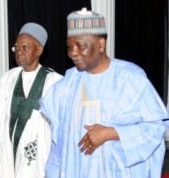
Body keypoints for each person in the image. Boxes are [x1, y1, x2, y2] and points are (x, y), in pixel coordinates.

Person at [40, 7, 168, 178]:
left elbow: (155, 128)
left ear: (101, 44)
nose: (73, 53)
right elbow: (57, 146)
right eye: (69, 46)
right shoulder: (65, 87)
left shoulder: (130, 79)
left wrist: (110, 133)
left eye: (80, 46)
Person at [0, 22, 62, 178]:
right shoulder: (7, 80)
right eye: (16, 47)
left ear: (39, 49)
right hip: (7, 155)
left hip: (37, 155)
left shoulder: (54, 83)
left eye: (25, 47)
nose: (19, 51)